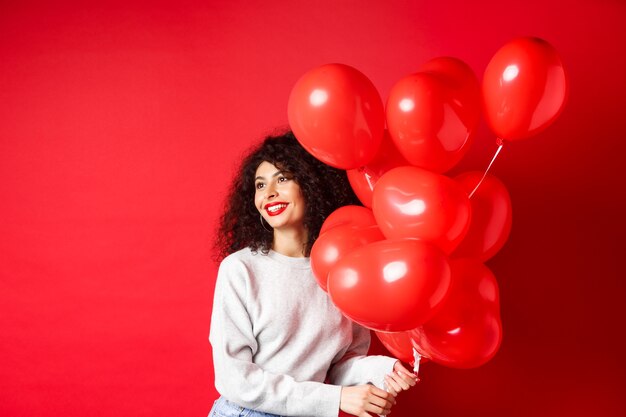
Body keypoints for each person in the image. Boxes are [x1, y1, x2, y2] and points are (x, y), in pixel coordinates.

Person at [209, 130, 418, 417]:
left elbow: (342, 363)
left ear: (310, 184)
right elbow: (235, 379)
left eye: (282, 179)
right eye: (260, 184)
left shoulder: (343, 269)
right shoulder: (240, 269)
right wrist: (335, 399)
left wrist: (383, 369)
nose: (269, 192)